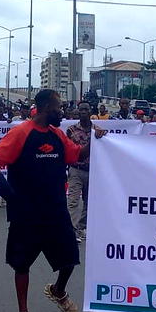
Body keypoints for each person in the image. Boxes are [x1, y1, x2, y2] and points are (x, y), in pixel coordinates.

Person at [0, 89, 106, 312]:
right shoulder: (21, 132)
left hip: (55, 210)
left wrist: (96, 138)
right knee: (21, 265)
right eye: (58, 107)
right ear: (45, 108)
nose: (62, 112)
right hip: (26, 211)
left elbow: (77, 155)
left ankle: (58, 291)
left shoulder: (58, 136)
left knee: (70, 259)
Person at [66, 102, 98, 243]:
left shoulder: (97, 130)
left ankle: (81, 227)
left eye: (86, 109)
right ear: (78, 112)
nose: (83, 112)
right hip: (76, 170)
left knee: (89, 202)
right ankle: (71, 230)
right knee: (73, 201)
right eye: (81, 110)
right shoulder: (71, 130)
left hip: (92, 170)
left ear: (90, 111)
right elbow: (67, 149)